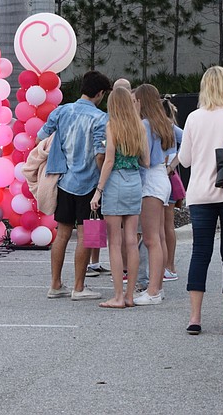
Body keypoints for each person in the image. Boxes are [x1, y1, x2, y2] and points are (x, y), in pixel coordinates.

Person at [178, 66, 223, 334]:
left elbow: (184, 160)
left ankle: (195, 318)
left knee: (200, 252)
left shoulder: (194, 118)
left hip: (200, 194)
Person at [38, 71, 112, 300]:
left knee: (62, 234)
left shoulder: (62, 110)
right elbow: (101, 154)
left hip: (63, 181)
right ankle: (79, 287)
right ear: (100, 93)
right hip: (90, 184)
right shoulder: (101, 118)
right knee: (88, 235)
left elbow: (42, 135)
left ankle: (55, 284)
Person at [90, 87, 149, 308]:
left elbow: (109, 161)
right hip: (135, 182)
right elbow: (146, 161)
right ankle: (131, 295)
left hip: (116, 182)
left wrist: (99, 190)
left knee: (114, 242)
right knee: (132, 241)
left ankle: (117, 296)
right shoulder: (139, 127)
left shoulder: (111, 126)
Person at [132, 84, 175, 306]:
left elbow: (145, 160)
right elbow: (184, 140)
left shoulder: (145, 125)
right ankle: (157, 287)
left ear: (141, 101)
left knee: (150, 239)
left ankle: (153, 291)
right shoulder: (163, 123)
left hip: (149, 180)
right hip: (161, 178)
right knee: (157, 236)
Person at [162, 98, 184, 282]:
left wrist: (171, 165)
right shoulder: (170, 128)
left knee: (166, 225)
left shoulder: (169, 128)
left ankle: (169, 266)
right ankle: (168, 265)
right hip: (167, 177)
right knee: (165, 225)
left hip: (166, 178)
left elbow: (187, 144)